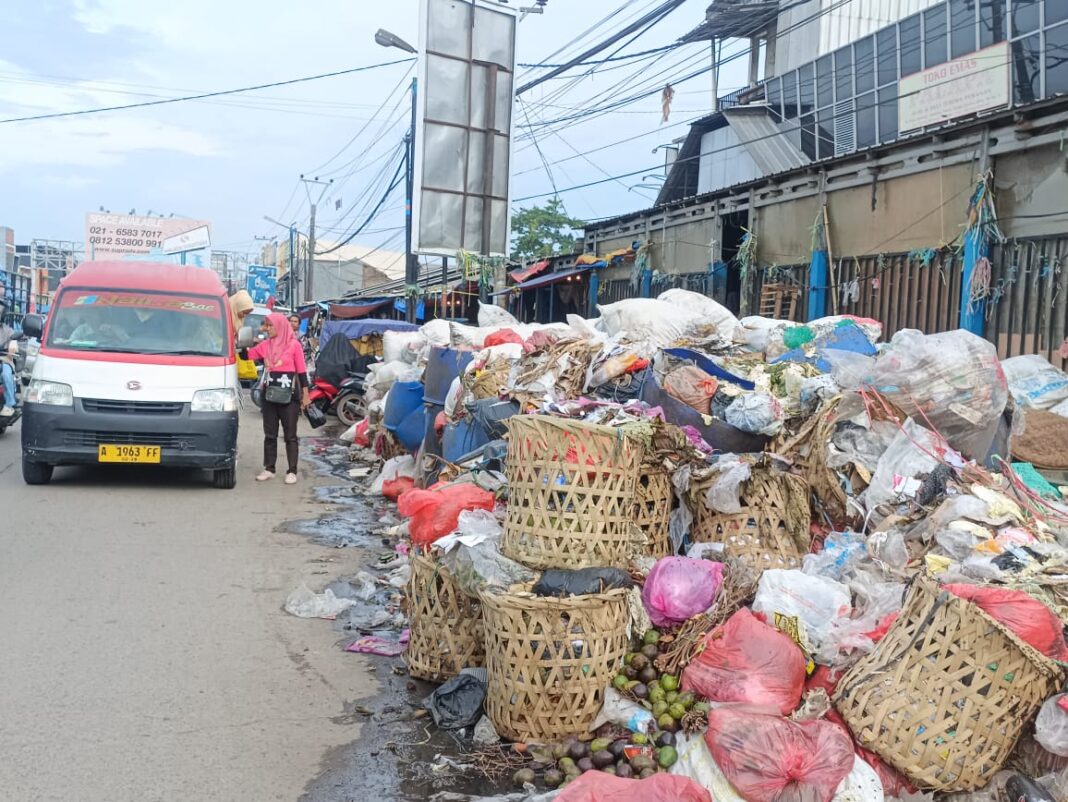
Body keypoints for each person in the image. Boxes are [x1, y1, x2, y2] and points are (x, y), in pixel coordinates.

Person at [246, 312, 310, 484]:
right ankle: (269, 468)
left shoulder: (294, 345)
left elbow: (302, 371)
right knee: (270, 434)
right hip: (270, 395)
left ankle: (292, 471)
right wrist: (241, 343)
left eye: (270, 325)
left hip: (290, 396)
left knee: (290, 435)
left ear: (280, 326)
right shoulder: (265, 345)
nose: (267, 329)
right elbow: (249, 355)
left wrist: (306, 394)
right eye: (266, 325)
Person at [0, 317, 17, 417]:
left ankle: (9, 404)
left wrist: (13, 346)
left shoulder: (7, 330)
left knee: (6, 375)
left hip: (4, 360)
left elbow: (14, 340)